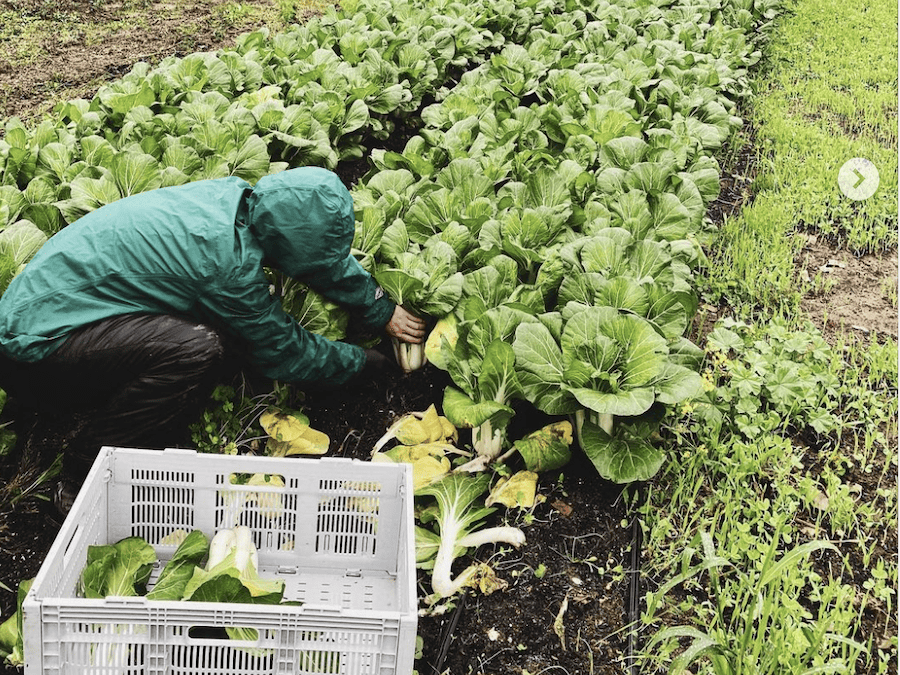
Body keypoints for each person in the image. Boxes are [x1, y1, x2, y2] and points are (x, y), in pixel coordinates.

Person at [0, 166, 425, 506]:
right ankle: (82, 474)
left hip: (53, 313)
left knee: (210, 340)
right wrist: (363, 364)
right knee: (197, 349)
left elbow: (314, 253)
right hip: (36, 355)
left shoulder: (237, 199)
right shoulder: (225, 267)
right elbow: (284, 353)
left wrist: (378, 308)